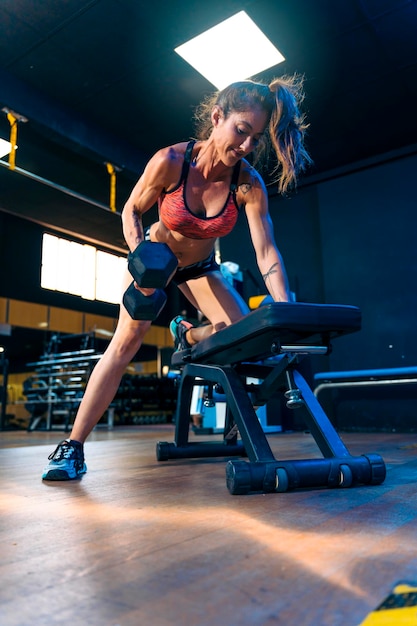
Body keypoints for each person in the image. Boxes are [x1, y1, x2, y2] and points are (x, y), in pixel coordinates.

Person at [42, 75, 312, 481]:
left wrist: (284, 307)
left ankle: (188, 336)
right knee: (125, 343)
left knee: (245, 336)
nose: (247, 147)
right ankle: (73, 446)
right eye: (242, 131)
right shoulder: (171, 161)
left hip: (200, 267)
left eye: (256, 138)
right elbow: (131, 210)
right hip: (156, 258)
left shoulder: (248, 184)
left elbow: (266, 250)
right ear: (217, 117)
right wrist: (140, 259)